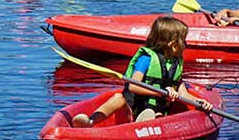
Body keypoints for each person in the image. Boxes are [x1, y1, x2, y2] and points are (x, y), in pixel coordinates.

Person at [72, 16, 211, 126]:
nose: (186, 44)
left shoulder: (176, 63)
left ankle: (145, 123)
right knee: (118, 98)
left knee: (156, 115)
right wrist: (160, 93)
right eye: (183, 40)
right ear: (171, 42)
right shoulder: (146, 59)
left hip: (157, 112)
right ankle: (89, 122)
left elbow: (184, 94)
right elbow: (133, 86)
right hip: (132, 110)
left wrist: (200, 102)